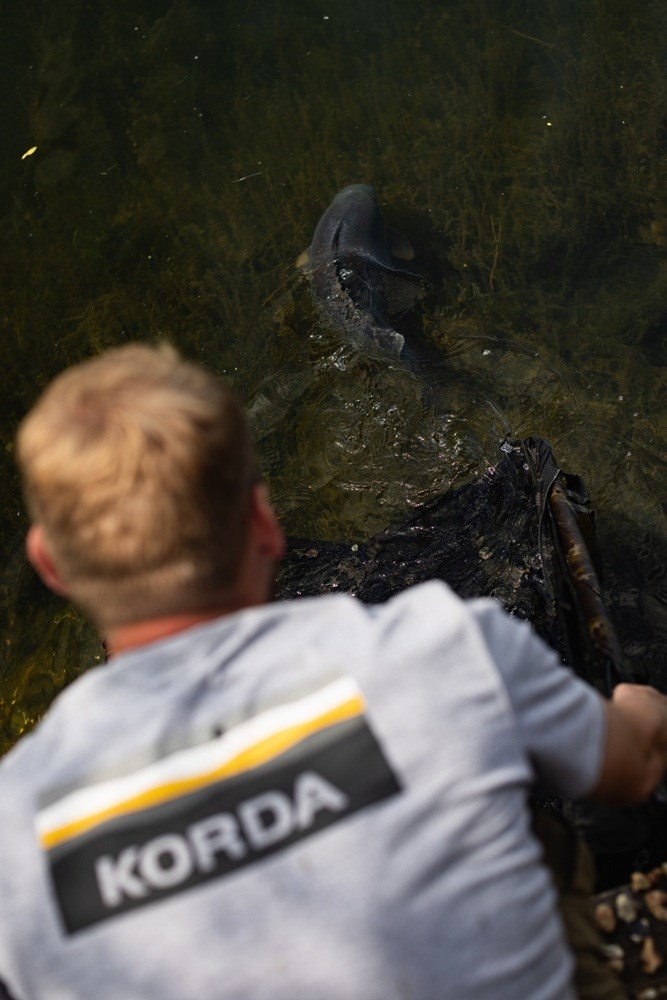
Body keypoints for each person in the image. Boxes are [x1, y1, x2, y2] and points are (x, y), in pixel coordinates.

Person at [1, 342, 666, 1000]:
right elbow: (633, 769)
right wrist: (638, 709)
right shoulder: (444, 649)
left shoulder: (15, 828)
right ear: (263, 522)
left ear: (50, 564)